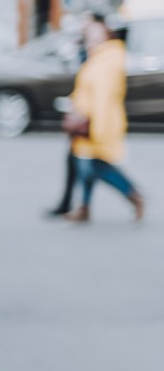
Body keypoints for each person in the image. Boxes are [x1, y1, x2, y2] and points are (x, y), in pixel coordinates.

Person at [64, 16, 146, 223]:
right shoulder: (97, 57)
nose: (91, 38)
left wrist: (97, 129)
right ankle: (84, 207)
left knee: (94, 167)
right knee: (85, 166)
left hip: (97, 123)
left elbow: (102, 98)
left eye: (96, 34)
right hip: (88, 121)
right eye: (89, 34)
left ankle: (133, 194)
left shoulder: (106, 61)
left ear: (106, 35)